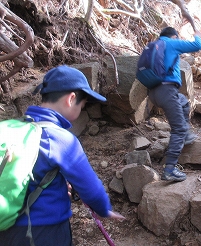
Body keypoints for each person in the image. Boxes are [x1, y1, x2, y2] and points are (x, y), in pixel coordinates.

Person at [0, 65, 124, 246]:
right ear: (71, 98)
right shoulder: (60, 139)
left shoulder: (13, 127)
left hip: (6, 225)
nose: (80, 111)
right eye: (81, 105)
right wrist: (104, 208)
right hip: (44, 230)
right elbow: (89, 186)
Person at [148, 27, 201, 182]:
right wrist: (197, 36)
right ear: (173, 36)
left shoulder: (154, 45)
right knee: (178, 129)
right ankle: (170, 169)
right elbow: (196, 46)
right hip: (166, 91)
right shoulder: (171, 43)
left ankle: (185, 136)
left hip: (153, 92)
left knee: (184, 102)